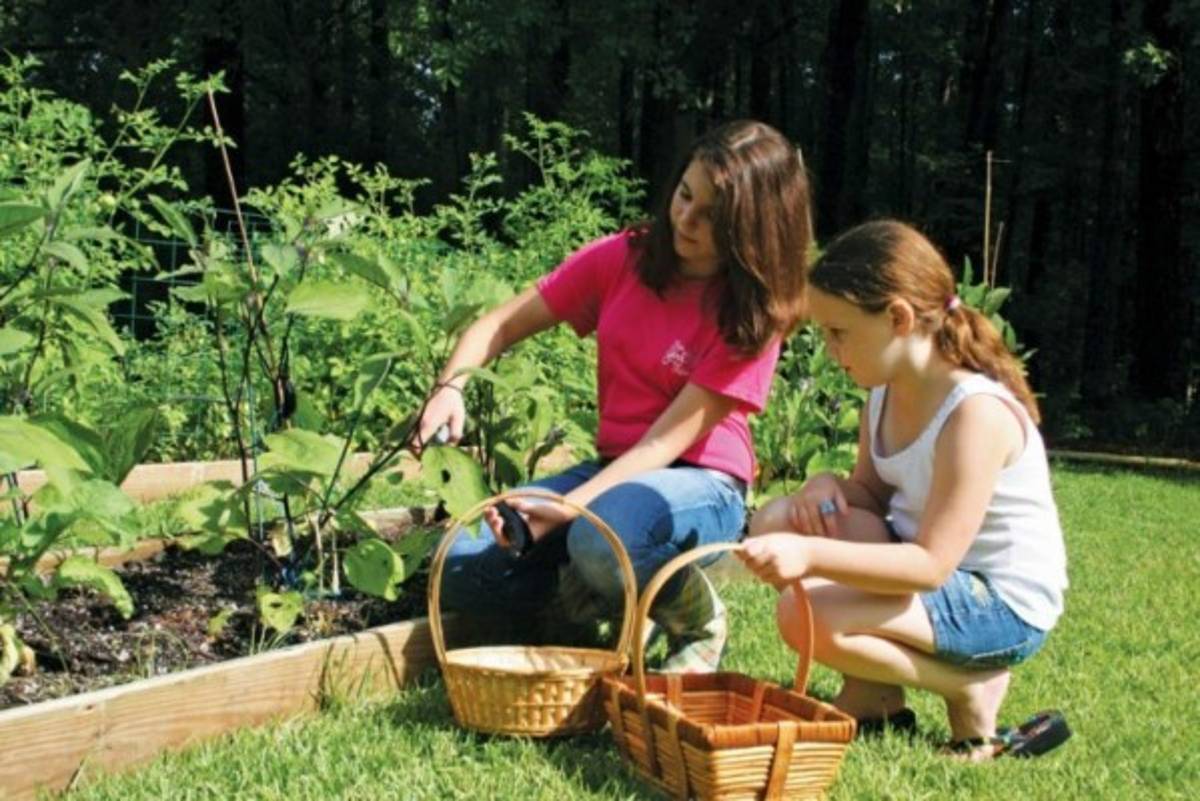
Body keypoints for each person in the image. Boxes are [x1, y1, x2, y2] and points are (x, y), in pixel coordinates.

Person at [417, 119, 812, 672]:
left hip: (701, 481)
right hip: (614, 472)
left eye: (711, 218)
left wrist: (565, 508)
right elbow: (499, 325)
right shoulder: (625, 257)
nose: (685, 220)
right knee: (461, 566)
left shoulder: (752, 315)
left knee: (602, 539)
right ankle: (599, 593)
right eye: (684, 195)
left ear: (753, 230)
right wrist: (449, 386)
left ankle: (696, 616)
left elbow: (661, 445)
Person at [739, 219, 1070, 759]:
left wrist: (808, 554)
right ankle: (874, 694)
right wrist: (826, 484)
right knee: (781, 518)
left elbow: (932, 565)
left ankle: (968, 685)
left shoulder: (975, 415)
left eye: (838, 332)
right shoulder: (884, 396)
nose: (828, 349)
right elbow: (869, 497)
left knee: (803, 613)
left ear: (898, 318)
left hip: (999, 603)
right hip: (928, 571)